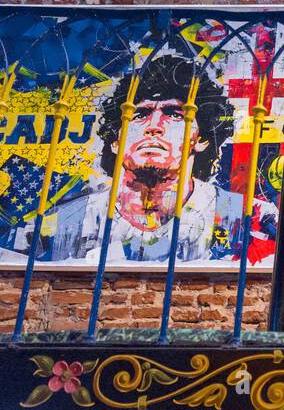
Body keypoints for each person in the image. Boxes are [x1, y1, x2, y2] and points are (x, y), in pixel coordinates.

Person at [60, 55, 241, 263]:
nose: (154, 126)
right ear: (115, 141)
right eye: (139, 115)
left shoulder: (245, 217)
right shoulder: (69, 221)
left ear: (202, 139)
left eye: (174, 115)